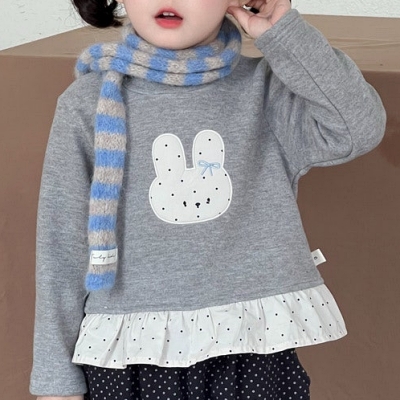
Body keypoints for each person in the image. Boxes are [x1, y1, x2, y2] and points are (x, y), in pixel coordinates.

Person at [30, 0, 386, 399]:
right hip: (130, 358)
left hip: (253, 350)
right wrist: (56, 382)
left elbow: (358, 129)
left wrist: (282, 31)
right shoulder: (86, 103)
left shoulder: (267, 90)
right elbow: (61, 248)